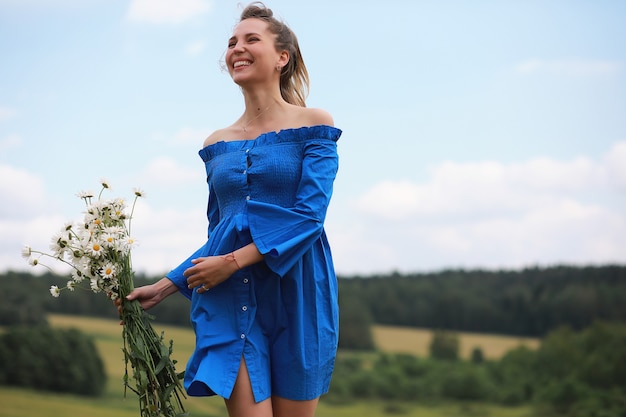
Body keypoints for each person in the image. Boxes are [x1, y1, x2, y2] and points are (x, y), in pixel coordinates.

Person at [122, 3, 341, 417]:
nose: (237, 48)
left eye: (250, 39)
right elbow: (219, 233)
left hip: (298, 290)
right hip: (229, 296)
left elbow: (310, 217)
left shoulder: (314, 124)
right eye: (231, 42)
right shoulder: (216, 143)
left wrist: (232, 261)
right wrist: (167, 285)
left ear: (282, 57)